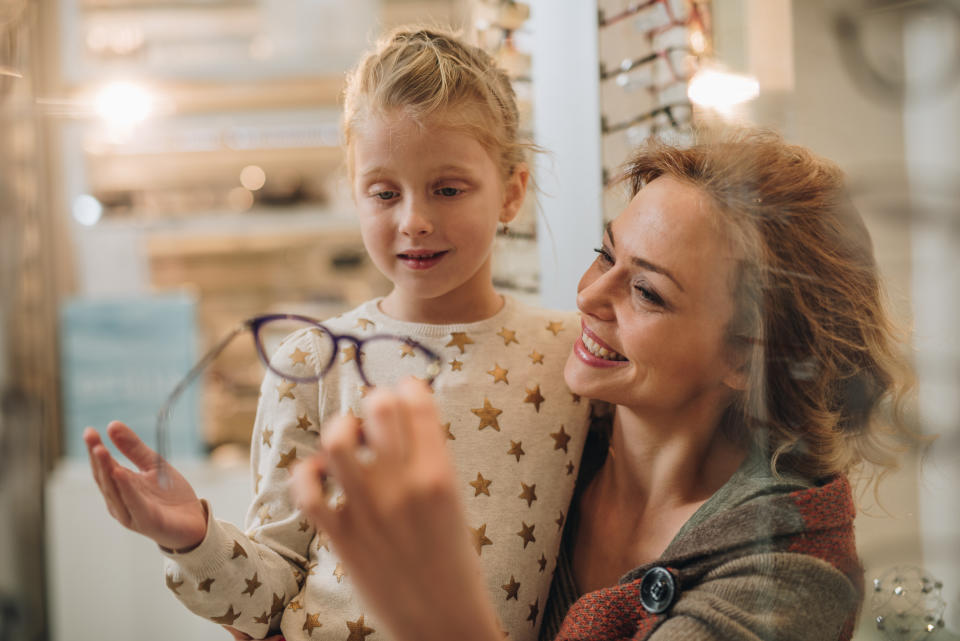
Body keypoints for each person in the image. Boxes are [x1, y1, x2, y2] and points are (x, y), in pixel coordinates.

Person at [291, 128, 915, 641]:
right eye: (605, 252)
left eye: (646, 291)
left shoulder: (791, 577)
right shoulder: (541, 440)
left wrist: (434, 604)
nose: (589, 295)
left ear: (748, 359)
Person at [82, 27, 593, 640]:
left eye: (448, 189)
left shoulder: (570, 355)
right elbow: (271, 594)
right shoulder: (311, 362)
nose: (414, 220)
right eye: (384, 192)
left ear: (511, 193)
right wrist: (194, 537)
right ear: (355, 193)